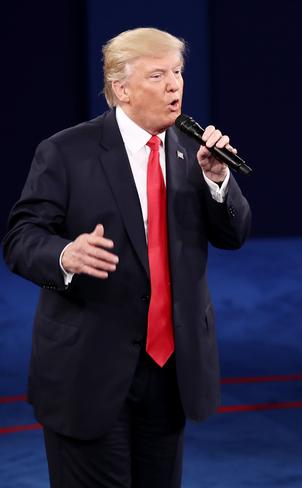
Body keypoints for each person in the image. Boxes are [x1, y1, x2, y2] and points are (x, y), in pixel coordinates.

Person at [2, 27, 251, 487]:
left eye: (177, 72)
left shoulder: (191, 150)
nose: (174, 84)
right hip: (87, 371)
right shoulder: (66, 151)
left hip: (170, 373)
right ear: (122, 89)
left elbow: (233, 235)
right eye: (158, 75)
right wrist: (64, 254)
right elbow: (21, 237)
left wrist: (219, 182)